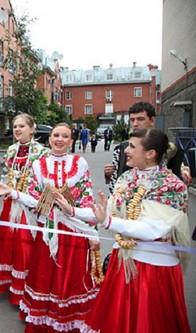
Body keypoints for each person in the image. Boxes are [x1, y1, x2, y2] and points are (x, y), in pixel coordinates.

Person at [71, 128, 191, 333]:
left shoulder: (171, 185)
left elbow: (153, 230)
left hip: (153, 270)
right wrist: (70, 210)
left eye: (132, 146)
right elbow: (106, 212)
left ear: (150, 153)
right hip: (124, 262)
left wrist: (108, 222)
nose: (126, 150)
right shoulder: (127, 178)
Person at [0, 123, 101, 332]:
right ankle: (45, 319)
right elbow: (33, 199)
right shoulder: (39, 165)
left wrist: (91, 232)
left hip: (73, 231)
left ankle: (68, 321)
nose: (59, 139)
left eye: (65, 136)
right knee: (44, 275)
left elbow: (87, 199)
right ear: (49, 139)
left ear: (71, 141)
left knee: (71, 280)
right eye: (56, 135)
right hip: (47, 231)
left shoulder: (80, 163)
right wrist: (11, 192)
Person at [0, 114, 47, 305]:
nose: (17, 130)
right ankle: (9, 283)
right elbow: (5, 176)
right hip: (10, 204)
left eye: (21, 126)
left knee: (24, 245)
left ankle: (24, 289)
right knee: (7, 243)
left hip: (29, 206)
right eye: (14, 127)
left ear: (32, 128)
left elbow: (43, 183)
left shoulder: (41, 152)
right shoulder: (12, 150)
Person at [104, 101, 191, 194]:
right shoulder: (121, 148)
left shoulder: (169, 148)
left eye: (140, 119)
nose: (135, 123)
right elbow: (114, 186)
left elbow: (181, 183)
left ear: (152, 121)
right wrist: (109, 175)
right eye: (132, 120)